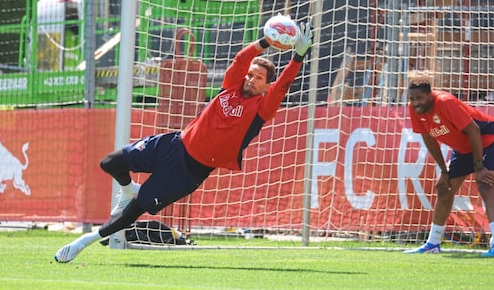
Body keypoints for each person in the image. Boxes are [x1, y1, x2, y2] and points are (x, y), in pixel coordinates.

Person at [54, 17, 314, 263]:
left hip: (188, 173)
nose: (251, 79)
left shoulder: (261, 108)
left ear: (265, 85)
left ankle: (81, 243)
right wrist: (267, 40)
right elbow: (241, 58)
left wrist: (298, 56)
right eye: (251, 74)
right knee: (110, 162)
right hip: (173, 144)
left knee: (133, 210)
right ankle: (127, 188)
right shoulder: (231, 85)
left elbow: (282, 85)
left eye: (259, 78)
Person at [404, 72, 494, 257]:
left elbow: (474, 130)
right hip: (464, 147)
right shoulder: (414, 109)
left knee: (485, 185)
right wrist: (444, 171)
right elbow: (428, 138)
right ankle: (433, 243)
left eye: (419, 98)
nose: (416, 102)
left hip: (488, 139)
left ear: (430, 94)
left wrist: (479, 167)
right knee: (445, 189)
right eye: (412, 98)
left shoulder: (445, 102)